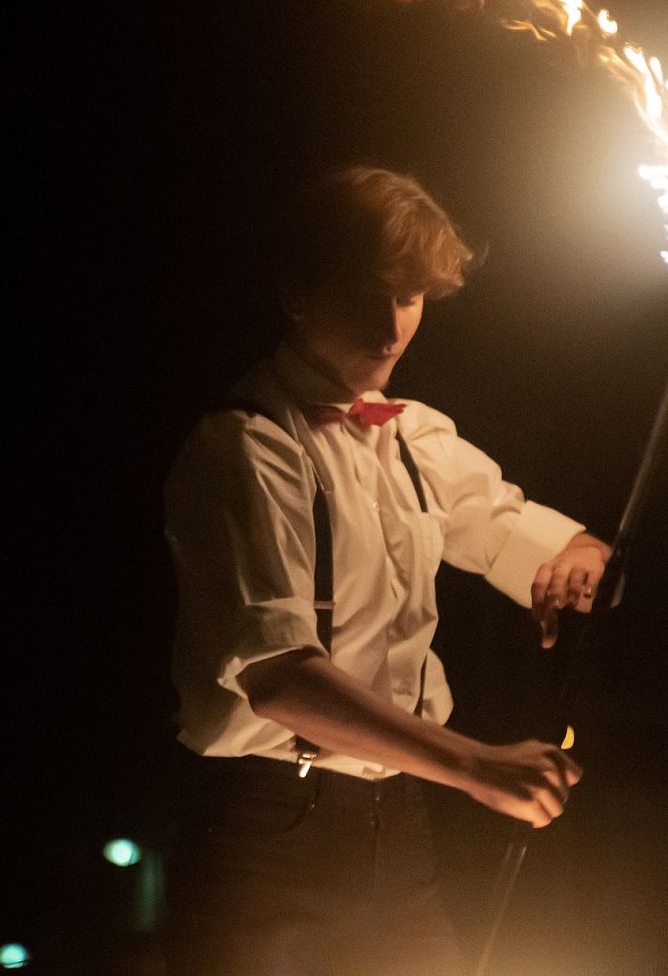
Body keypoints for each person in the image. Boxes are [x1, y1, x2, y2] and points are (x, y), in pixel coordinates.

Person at [162, 165, 610, 974]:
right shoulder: (246, 446)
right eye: (366, 295)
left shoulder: (414, 437)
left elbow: (531, 537)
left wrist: (581, 558)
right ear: (297, 293)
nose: (390, 325)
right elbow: (281, 681)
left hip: (399, 830)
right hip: (268, 837)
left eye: (408, 297)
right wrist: (474, 765)